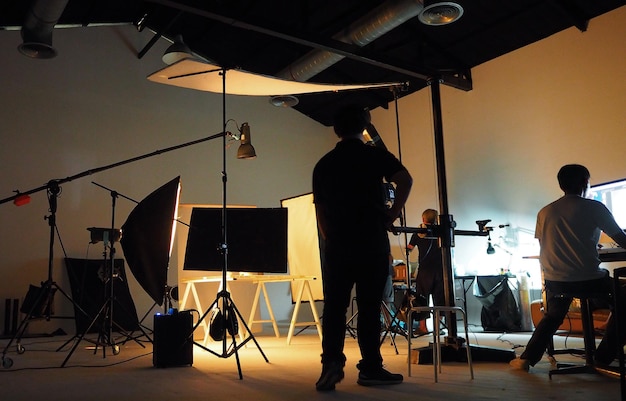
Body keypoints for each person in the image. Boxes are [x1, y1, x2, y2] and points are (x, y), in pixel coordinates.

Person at [312, 104, 412, 391]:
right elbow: (405, 179)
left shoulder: (324, 164)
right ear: (364, 126)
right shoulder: (374, 155)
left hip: (338, 245)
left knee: (334, 307)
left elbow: (320, 213)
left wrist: (330, 237)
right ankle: (370, 368)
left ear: (336, 130)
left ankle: (330, 364)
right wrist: (391, 215)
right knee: (369, 307)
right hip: (371, 241)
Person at [510, 164, 626, 371]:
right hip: (590, 280)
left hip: (555, 281)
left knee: (553, 316)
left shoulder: (545, 211)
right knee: (623, 298)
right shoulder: (594, 207)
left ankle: (526, 359)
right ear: (585, 183)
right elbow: (621, 239)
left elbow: (547, 244)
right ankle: (603, 357)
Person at [407, 208, 445, 336]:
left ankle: (423, 328)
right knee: (440, 298)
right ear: (436, 220)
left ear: (423, 219)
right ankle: (437, 327)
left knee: (421, 298)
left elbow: (409, 249)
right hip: (440, 270)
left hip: (424, 271)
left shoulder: (418, 232)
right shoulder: (441, 232)